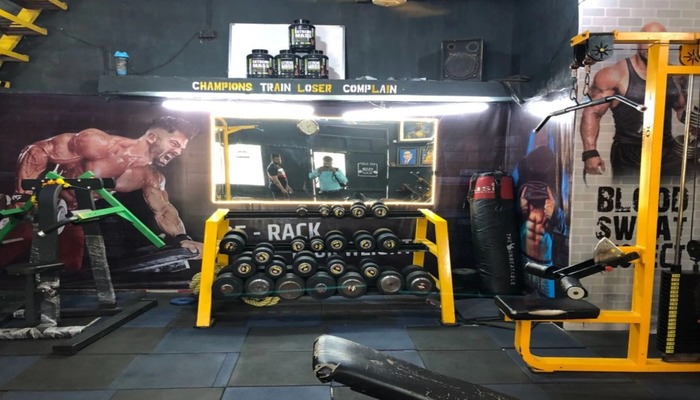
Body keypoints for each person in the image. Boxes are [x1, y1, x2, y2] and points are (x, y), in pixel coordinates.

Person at [7, 116, 203, 271]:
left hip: (74, 216)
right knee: (9, 249)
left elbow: (163, 209)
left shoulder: (150, 176)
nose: (178, 152)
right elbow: (37, 150)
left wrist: (182, 238)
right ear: (152, 137)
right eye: (174, 144)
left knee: (70, 268)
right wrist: (23, 198)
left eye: (181, 148)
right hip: (42, 208)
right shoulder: (100, 144)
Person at [580, 21, 689, 178]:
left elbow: (680, 108)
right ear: (638, 41)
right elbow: (593, 113)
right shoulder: (614, 74)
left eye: (660, 41)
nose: (653, 46)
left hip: (666, 148)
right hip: (629, 151)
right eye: (648, 40)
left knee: (674, 190)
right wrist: (590, 153)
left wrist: (693, 122)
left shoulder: (676, 75)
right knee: (629, 192)